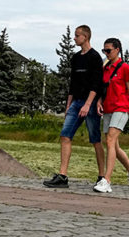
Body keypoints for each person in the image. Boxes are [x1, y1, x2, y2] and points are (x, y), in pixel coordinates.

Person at [43, 25, 104, 188]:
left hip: (89, 103)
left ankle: (102, 176)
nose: (74, 38)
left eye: (77, 36)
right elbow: (73, 83)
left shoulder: (95, 57)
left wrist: (88, 104)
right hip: (76, 102)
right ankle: (62, 176)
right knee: (65, 135)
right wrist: (69, 104)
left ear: (86, 37)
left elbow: (97, 84)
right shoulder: (75, 58)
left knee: (95, 139)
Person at [94, 38, 129, 193]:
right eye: (104, 51)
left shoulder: (125, 68)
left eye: (108, 50)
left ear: (117, 50)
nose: (106, 53)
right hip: (108, 108)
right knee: (113, 145)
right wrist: (99, 101)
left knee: (109, 140)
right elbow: (104, 88)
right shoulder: (105, 68)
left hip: (121, 109)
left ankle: (106, 180)